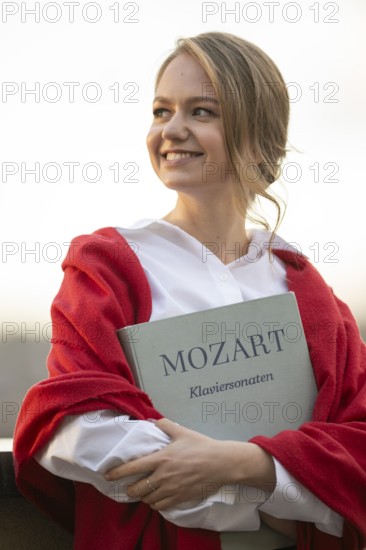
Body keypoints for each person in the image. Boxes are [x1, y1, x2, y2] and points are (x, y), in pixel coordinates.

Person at [13, 32, 366, 550]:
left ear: (258, 130)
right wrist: (283, 502)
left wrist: (250, 464)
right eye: (161, 111)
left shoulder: (307, 292)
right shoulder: (108, 264)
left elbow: (357, 442)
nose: (171, 130)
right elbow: (79, 422)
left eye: (201, 111)